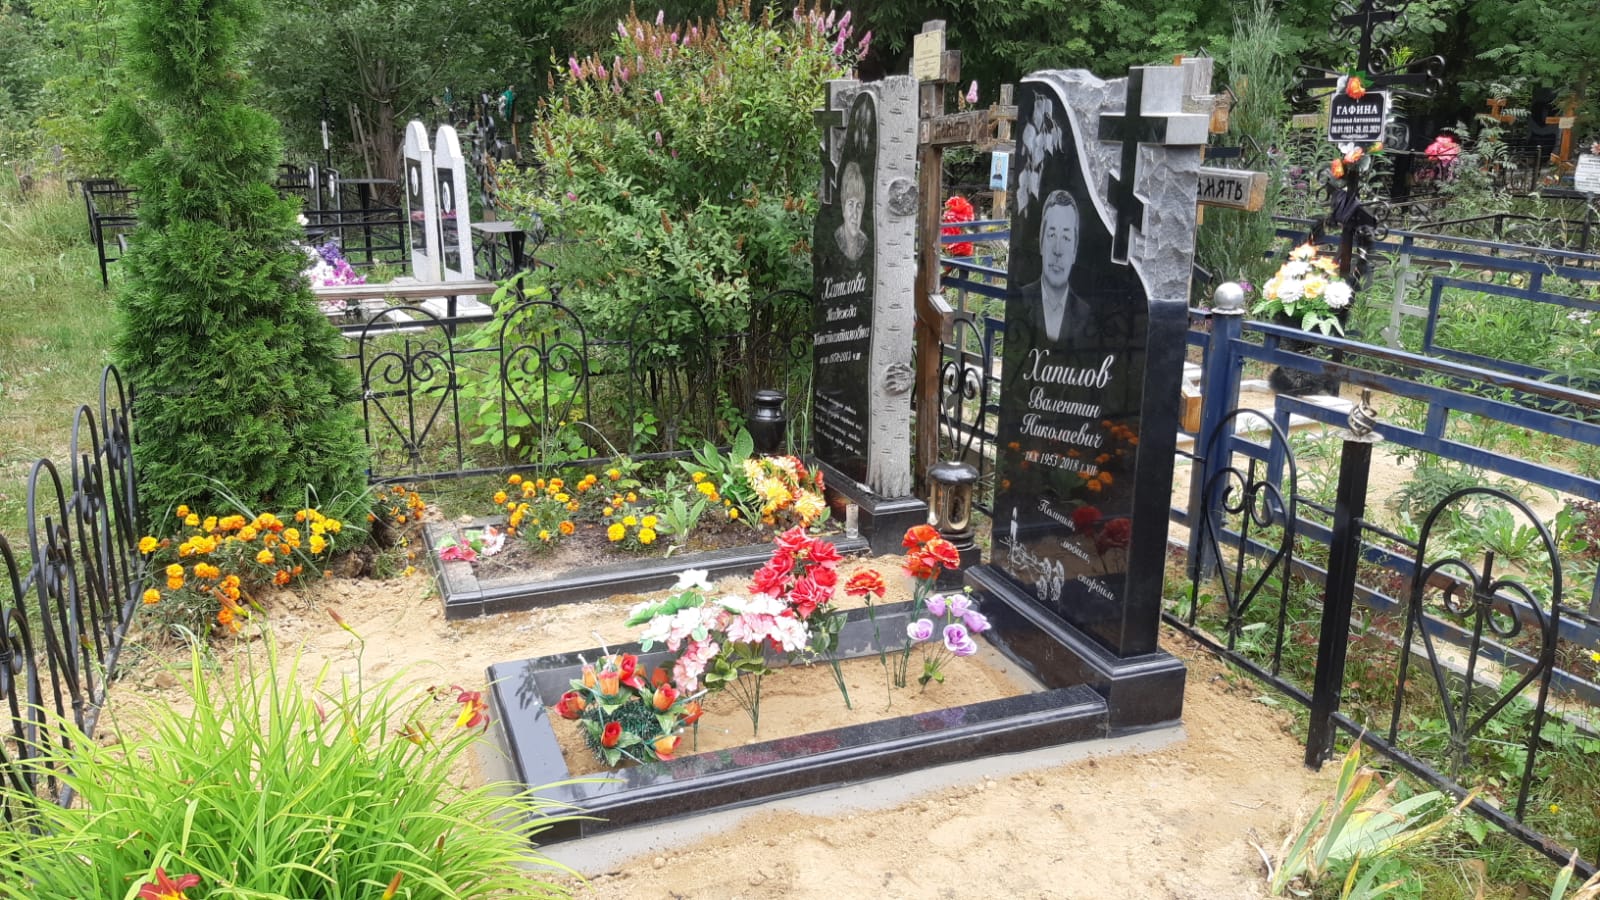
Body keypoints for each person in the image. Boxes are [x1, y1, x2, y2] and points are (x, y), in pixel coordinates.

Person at [833, 160, 868, 262]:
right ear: (843, 208)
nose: (855, 215)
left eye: (858, 206)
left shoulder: (865, 243)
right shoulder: (835, 240)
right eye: (851, 205)